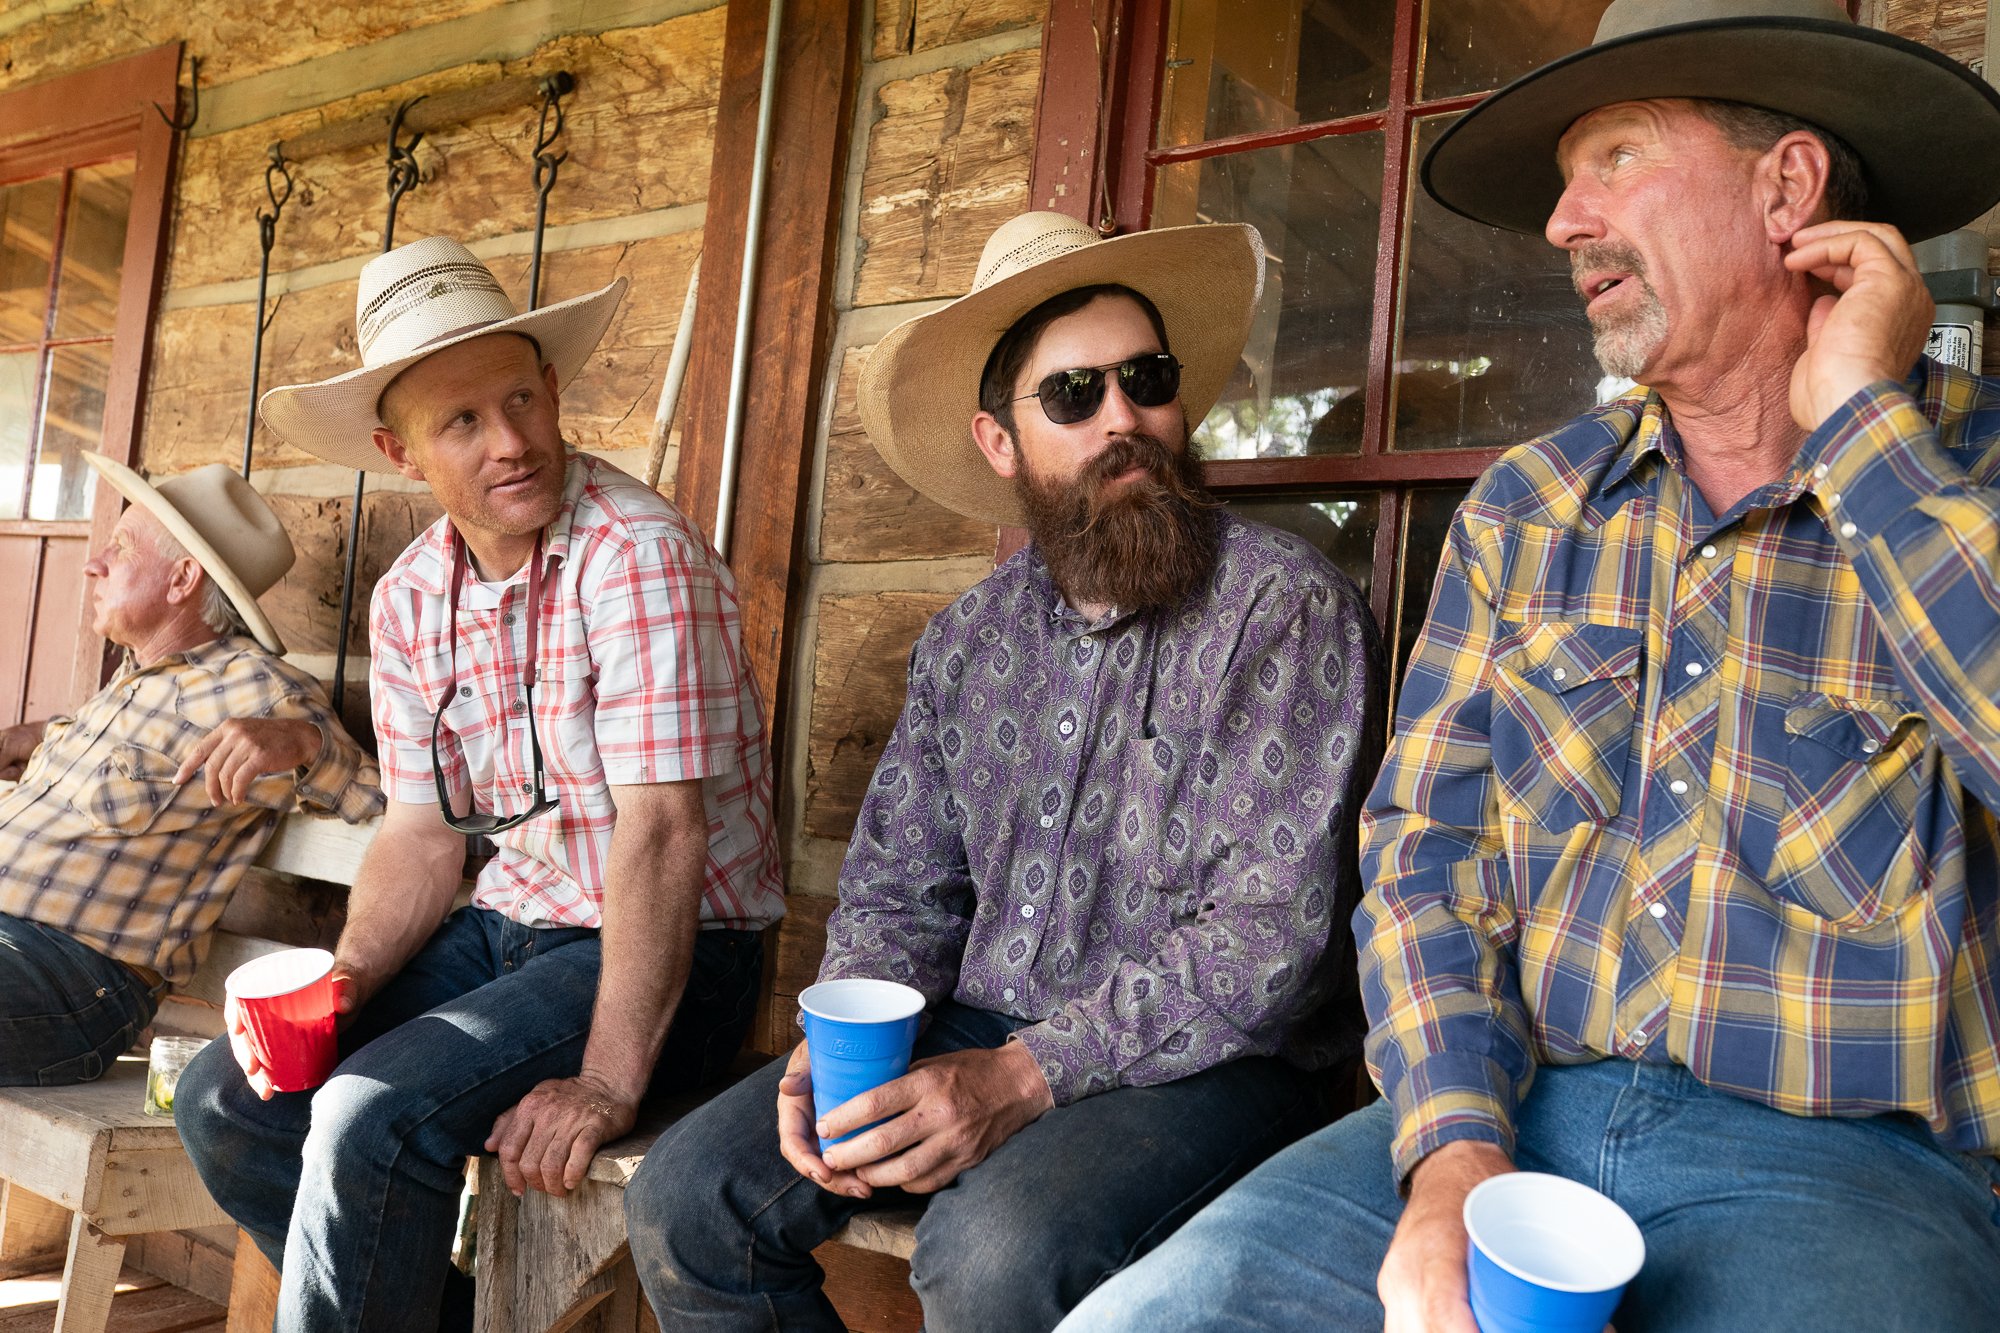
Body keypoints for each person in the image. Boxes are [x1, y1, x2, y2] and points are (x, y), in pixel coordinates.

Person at [1060, 2, 2000, 1330]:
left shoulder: (1967, 478)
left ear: (1785, 189)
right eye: (1565, 182)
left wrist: (1860, 427)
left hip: (1855, 1173)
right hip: (1514, 1112)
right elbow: (1425, 855)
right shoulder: (1528, 506)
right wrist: (1452, 1148)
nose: (1562, 222)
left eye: (1615, 157)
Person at [622, 211, 1384, 1332]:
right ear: (998, 441)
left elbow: (1270, 937)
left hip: (1217, 1060)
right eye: (1073, 395)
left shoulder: (1282, 606)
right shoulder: (967, 641)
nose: (1123, 417)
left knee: (992, 1255)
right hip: (974, 1021)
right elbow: (898, 889)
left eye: (1147, 379)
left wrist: (1024, 1074)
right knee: (689, 1202)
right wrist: (838, 1043)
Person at [175, 236, 785, 1332]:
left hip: (675, 952)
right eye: (461, 421)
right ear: (398, 451)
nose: (511, 442)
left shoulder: (635, 553)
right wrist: (350, 975)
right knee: (229, 1099)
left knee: (367, 1115)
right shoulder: (412, 597)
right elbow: (419, 837)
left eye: (520, 401)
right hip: (506, 933)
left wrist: (607, 1080)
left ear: (550, 387)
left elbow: (661, 834)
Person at [0, 454, 379, 1087]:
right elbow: (135, 762)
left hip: (70, 977)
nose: (95, 563)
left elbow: (390, 805)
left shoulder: (262, 691)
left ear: (181, 580)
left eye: (121, 547)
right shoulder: (133, 680)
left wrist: (305, 741)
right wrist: (39, 737)